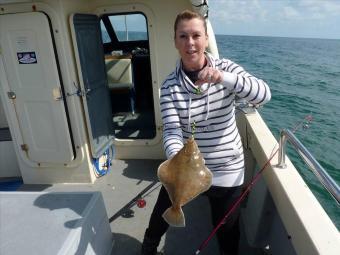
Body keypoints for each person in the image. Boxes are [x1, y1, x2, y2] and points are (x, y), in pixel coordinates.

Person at [141, 10, 271, 255]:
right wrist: (178, 160)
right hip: (184, 167)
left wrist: (224, 78)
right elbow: (171, 131)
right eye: (183, 36)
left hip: (226, 169)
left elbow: (264, 94)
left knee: (226, 228)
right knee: (162, 210)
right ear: (175, 41)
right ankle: (148, 246)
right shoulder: (169, 86)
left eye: (196, 35)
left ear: (206, 39)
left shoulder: (226, 69)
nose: (190, 43)